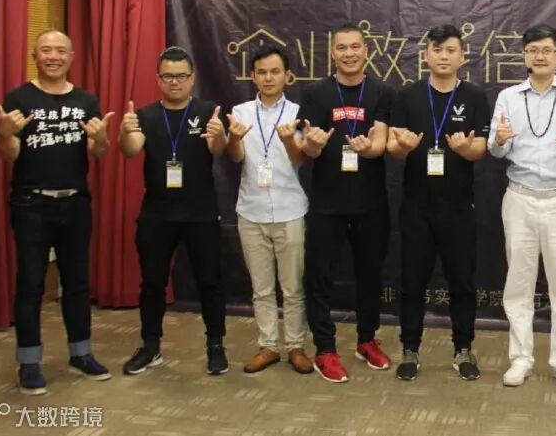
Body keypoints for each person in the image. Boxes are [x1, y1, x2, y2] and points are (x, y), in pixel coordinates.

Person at [0, 29, 113, 395]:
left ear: (71, 57)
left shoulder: (86, 100)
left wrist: (101, 138)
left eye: (60, 51)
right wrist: (5, 133)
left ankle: (81, 353)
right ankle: (29, 362)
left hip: (75, 203)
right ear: (35, 56)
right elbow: (9, 155)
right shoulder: (19, 98)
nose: (53, 57)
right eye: (46, 50)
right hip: (31, 204)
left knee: (77, 282)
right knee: (30, 282)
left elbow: (97, 152)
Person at [488, 23, 556, 390]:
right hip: (519, 198)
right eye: (533, 50)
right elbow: (495, 149)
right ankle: (520, 358)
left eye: (547, 50)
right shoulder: (508, 97)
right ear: (524, 56)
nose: (540, 56)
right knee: (518, 282)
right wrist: (499, 140)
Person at [387, 24, 490, 381]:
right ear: (425, 55)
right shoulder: (408, 95)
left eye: (450, 50)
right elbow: (392, 147)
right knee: (412, 283)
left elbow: (481, 149)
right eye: (437, 50)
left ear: (462, 56)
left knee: (462, 283)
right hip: (416, 206)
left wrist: (465, 149)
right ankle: (409, 349)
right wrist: (402, 147)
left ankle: (463, 349)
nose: (443, 56)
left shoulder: (474, 97)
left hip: (459, 207)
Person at [119, 46, 229, 376]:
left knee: (210, 281)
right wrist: (125, 133)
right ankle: (150, 345)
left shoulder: (208, 111)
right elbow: (130, 150)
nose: (175, 82)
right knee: (152, 283)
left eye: (181, 76)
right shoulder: (145, 115)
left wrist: (220, 136)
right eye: (168, 76)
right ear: (158, 79)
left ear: (192, 79)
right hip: (157, 214)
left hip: (200, 213)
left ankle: (215, 345)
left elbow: (218, 149)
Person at [298, 23, 394, 383]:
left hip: (370, 202)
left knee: (370, 275)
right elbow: (304, 143)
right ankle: (325, 348)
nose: (349, 53)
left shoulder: (382, 92)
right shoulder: (315, 93)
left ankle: (366, 340)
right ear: (332, 52)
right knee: (320, 278)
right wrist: (312, 145)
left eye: (355, 46)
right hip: (327, 202)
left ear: (366, 50)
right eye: (342, 47)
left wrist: (369, 149)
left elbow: (381, 141)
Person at [226, 47, 313, 375]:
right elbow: (235, 157)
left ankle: (296, 346)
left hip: (290, 209)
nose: (268, 78)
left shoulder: (298, 113)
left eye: (275, 71)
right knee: (261, 288)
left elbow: (301, 160)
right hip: (251, 210)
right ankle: (268, 346)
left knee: (293, 288)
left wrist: (290, 141)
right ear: (253, 77)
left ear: (287, 76)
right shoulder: (241, 112)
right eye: (261, 72)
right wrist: (234, 140)